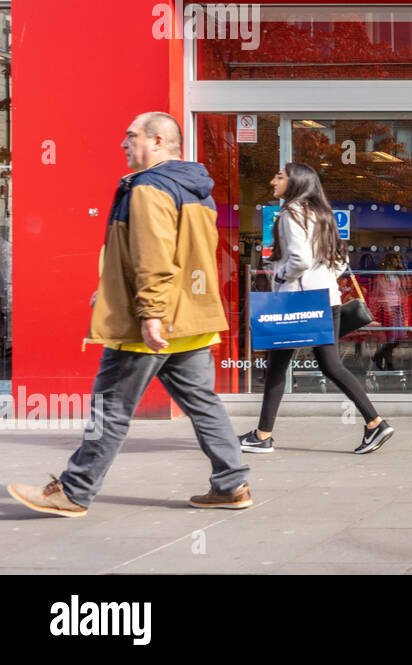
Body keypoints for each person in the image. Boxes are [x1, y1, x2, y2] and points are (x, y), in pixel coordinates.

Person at [8, 112, 250, 517]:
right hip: (190, 320)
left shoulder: (148, 187)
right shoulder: (197, 188)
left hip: (152, 324)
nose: (123, 143)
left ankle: (73, 491)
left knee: (110, 409)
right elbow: (181, 254)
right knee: (204, 404)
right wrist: (112, 291)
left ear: (157, 141)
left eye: (130, 136)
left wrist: (149, 312)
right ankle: (231, 484)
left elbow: (153, 255)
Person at [239, 162, 395, 455]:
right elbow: (338, 262)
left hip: (296, 303)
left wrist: (279, 275)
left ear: (295, 182)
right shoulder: (322, 214)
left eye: (280, 176)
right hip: (326, 299)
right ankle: (374, 423)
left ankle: (263, 436)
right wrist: (314, 278)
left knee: (279, 368)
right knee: (327, 365)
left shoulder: (292, 212)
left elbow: (300, 259)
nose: (273, 180)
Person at [370, 251, 410, 372]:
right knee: (391, 337)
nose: (399, 262)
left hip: (397, 305)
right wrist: (387, 307)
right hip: (389, 307)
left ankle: (380, 355)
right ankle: (387, 361)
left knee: (398, 337)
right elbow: (383, 292)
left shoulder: (397, 274)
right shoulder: (383, 276)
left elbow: (402, 288)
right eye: (397, 260)